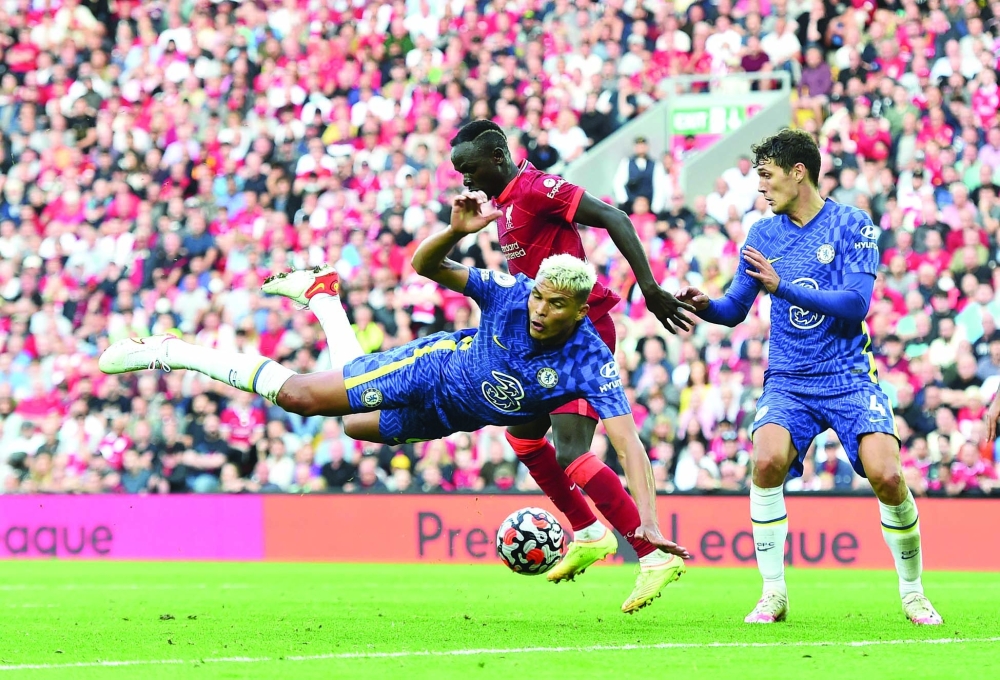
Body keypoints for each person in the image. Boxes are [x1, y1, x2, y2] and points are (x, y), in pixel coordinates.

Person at [99, 190, 689, 614]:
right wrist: (458, 232)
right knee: (303, 396)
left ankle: (324, 297)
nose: (540, 309)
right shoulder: (511, 294)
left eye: (556, 305)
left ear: (581, 311)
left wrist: (652, 525)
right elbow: (426, 266)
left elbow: (629, 446)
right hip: (428, 371)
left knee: (356, 428)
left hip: (452, 415)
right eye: (540, 296)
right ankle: (178, 351)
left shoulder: (589, 359)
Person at [676, 128, 942, 626]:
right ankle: (773, 594)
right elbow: (736, 309)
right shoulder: (762, 234)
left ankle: (913, 592)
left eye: (768, 176)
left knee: (887, 476)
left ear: (799, 173)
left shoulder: (851, 224)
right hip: (789, 381)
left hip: (848, 376)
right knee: (767, 461)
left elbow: (855, 304)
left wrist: (783, 287)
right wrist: (706, 306)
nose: (762, 189)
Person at [449, 119, 694, 586]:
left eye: (470, 168)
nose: (465, 179)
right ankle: (586, 531)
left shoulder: (538, 189)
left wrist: (651, 289)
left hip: (584, 330)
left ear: (497, 159)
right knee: (522, 437)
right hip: (545, 338)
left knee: (572, 450)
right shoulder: (501, 203)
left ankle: (652, 554)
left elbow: (615, 217)